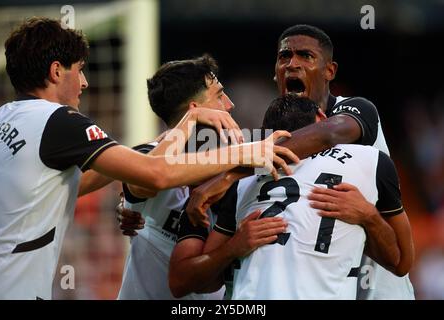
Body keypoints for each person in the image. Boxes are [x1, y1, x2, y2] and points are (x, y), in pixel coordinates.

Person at [0, 18, 296, 300]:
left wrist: (160, 150)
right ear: (56, 71)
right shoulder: (60, 121)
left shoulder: (4, 118)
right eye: (80, 69)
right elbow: (154, 176)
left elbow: (77, 183)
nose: (84, 82)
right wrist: (246, 151)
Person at [186, 24, 415, 299]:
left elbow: (329, 133)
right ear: (275, 71)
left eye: (305, 56)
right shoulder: (267, 139)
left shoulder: (353, 111)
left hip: (377, 283)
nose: (292, 64)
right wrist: (134, 201)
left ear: (330, 71)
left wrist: (229, 175)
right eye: (284, 57)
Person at [169, 95, 413, 299]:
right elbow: (401, 262)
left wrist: (233, 248)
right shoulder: (370, 161)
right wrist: (369, 216)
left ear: (265, 137)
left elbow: (191, 283)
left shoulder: (242, 182)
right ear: (321, 117)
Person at [117, 54, 282, 299]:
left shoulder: (240, 156)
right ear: (195, 110)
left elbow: (293, 149)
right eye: (218, 95)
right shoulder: (146, 156)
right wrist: (190, 122)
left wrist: (229, 176)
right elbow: (149, 175)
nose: (229, 104)